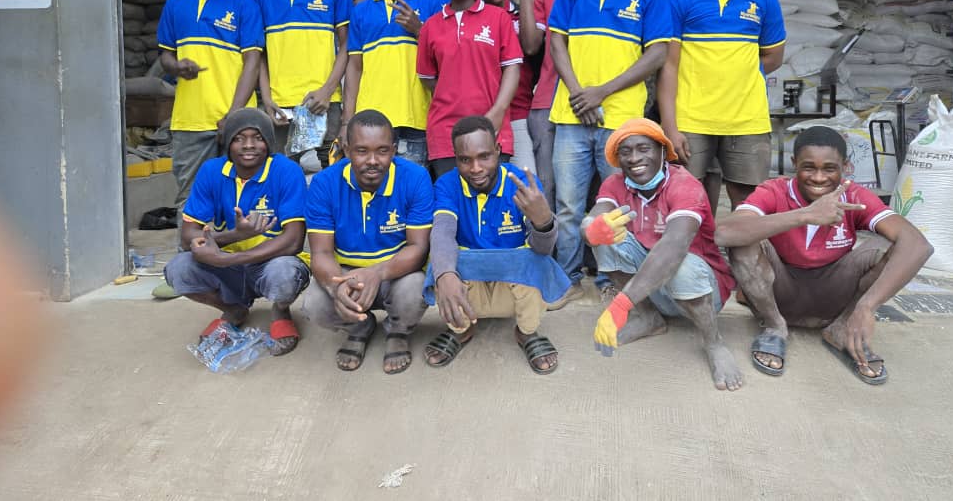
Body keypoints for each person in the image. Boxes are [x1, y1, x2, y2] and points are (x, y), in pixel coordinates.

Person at [715, 126, 932, 385]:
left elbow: (918, 245)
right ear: (794, 164)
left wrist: (867, 307)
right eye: (808, 167)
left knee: (889, 245)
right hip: (780, 294)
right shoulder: (774, 190)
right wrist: (805, 215)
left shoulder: (854, 196)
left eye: (829, 169)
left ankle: (841, 327)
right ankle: (774, 327)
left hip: (833, 298)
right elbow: (724, 233)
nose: (818, 178)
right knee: (743, 239)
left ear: (845, 167)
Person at [548, 0, 672, 305]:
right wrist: (579, 93)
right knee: (569, 206)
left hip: (622, 120)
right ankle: (568, 279)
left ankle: (610, 278)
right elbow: (556, 42)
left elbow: (657, 54)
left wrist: (600, 92)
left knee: (618, 203)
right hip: (571, 115)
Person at [584, 118, 741, 391]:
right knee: (605, 237)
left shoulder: (685, 185)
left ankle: (714, 343)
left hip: (702, 290)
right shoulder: (614, 184)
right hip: (654, 288)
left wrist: (621, 305)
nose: (634, 158)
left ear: (662, 151)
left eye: (644, 148)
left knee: (680, 264)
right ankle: (649, 318)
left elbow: (673, 248)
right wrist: (591, 230)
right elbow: (594, 218)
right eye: (626, 151)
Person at [423, 117, 569, 374]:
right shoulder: (447, 184)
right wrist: (444, 274)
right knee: (442, 261)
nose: (476, 168)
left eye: (484, 157)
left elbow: (543, 250)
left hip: (513, 290)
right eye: (465, 159)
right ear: (455, 158)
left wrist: (544, 222)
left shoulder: (522, 184)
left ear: (498, 151)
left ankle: (527, 332)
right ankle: (461, 329)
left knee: (534, 260)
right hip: (469, 290)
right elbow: (443, 232)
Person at [657, 0, 785, 211]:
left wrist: (740, 76)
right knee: (685, 203)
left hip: (747, 120)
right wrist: (670, 126)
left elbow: (773, 57)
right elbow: (669, 66)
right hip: (691, 120)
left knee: (749, 205)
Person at [164, 109, 310, 356]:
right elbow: (188, 236)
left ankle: (281, 310)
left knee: (285, 273)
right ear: (227, 143)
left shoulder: (286, 171)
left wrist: (228, 258)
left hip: (270, 262)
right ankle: (233, 309)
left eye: (257, 138)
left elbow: (293, 241)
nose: (248, 145)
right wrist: (235, 236)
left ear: (269, 142)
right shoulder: (212, 171)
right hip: (227, 265)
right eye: (239, 138)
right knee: (179, 269)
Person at [300, 110, 433, 374]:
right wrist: (337, 286)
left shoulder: (415, 178)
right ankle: (359, 327)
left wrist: (377, 273)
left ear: (394, 149)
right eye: (362, 151)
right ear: (347, 149)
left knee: (417, 288)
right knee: (314, 304)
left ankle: (398, 331)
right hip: (346, 274)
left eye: (382, 151)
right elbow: (321, 253)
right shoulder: (324, 183)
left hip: (396, 273)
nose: (372, 161)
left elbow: (418, 248)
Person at [652, 0, 758, 216]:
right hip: (686, 92)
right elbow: (665, 38)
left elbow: (765, 50)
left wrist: (733, 72)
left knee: (740, 188)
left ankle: (722, 234)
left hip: (735, 103)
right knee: (690, 178)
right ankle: (700, 229)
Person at [157, 0, 263, 208]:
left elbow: (252, 63)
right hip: (190, 120)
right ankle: (193, 240)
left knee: (243, 197)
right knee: (190, 200)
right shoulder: (176, 3)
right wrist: (176, 67)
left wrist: (233, 116)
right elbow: (165, 55)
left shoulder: (245, 6)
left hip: (238, 122)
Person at [253, 0, 352, 175]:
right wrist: (267, 98)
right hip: (279, 107)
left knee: (326, 179)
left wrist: (327, 91)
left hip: (323, 104)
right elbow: (258, 52)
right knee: (281, 179)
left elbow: (347, 45)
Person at [417, 0, 522, 178]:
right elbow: (428, 78)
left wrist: (497, 111)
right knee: (451, 196)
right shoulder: (430, 27)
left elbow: (512, 68)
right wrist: (455, 92)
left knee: (494, 196)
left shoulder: (499, 18)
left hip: (492, 127)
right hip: (445, 133)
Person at [342, 0, 437, 165]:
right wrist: (347, 121)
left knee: (411, 184)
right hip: (370, 121)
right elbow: (354, 68)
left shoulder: (428, 5)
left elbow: (443, 60)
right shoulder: (361, 11)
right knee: (373, 183)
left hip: (415, 118)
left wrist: (419, 29)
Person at [517, 0, 592, 211]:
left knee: (593, 190)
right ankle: (549, 239)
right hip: (548, 100)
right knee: (548, 186)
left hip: (596, 96)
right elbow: (530, 45)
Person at [477, 0, 536, 172]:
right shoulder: (474, 21)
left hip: (518, 111)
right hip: (486, 113)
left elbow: (532, 49)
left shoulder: (520, 14)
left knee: (526, 176)